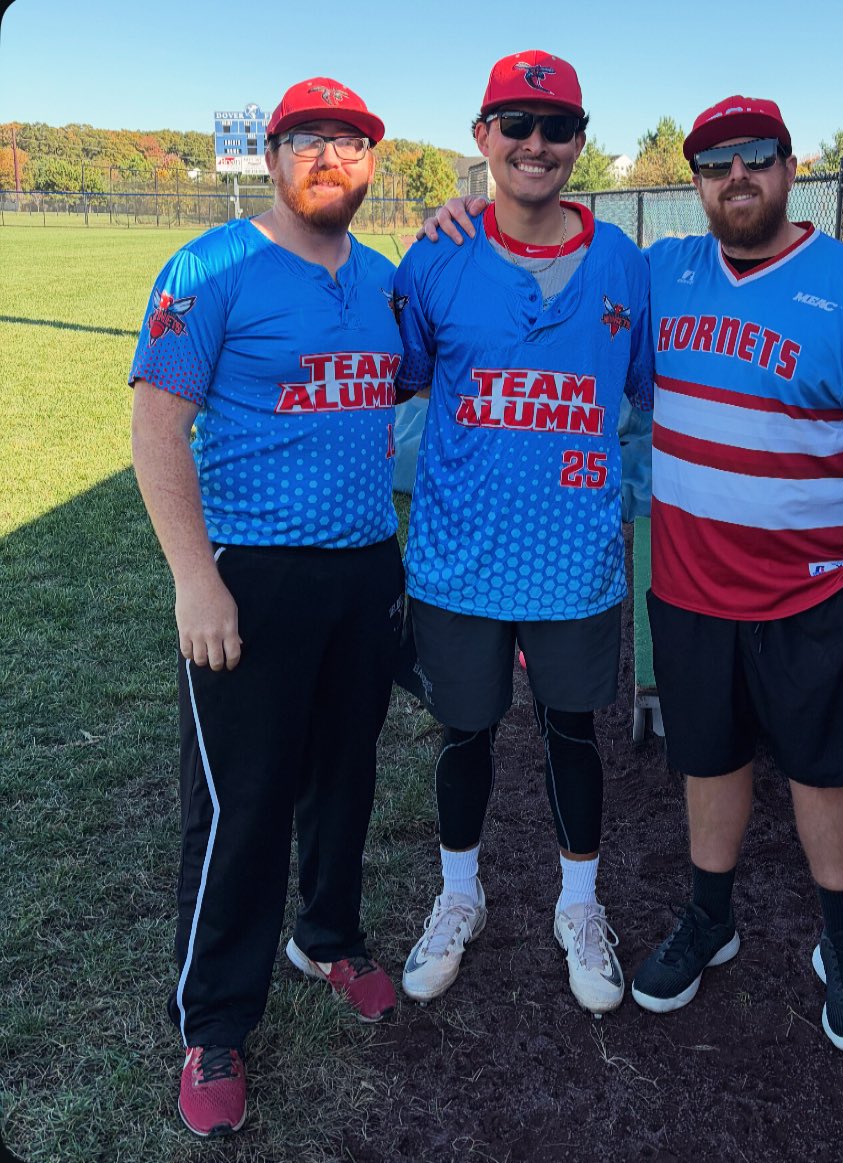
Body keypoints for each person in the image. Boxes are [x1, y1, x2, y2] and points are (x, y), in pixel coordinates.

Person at [129, 77, 405, 1138]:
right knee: (242, 801)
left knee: (346, 771)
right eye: (310, 141)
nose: (331, 159)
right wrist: (195, 577)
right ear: (274, 153)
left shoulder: (382, 280)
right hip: (251, 570)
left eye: (351, 143)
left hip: (363, 567)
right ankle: (214, 1018)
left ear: (372, 162)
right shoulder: (212, 267)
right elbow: (158, 428)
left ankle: (327, 935)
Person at [627, 96, 843, 1053]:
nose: (737, 176)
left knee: (825, 774)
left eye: (756, 156)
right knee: (708, 761)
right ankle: (710, 918)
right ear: (697, 184)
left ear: (791, 169)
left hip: (812, 593)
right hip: (690, 588)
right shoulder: (665, 271)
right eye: (715, 163)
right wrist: (468, 214)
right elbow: (559, 247)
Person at [391, 49, 653, 1017]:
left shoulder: (624, 264)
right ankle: (459, 895)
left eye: (557, 127)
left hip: (573, 560)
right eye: (517, 124)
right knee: (465, 730)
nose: (536, 144)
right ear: (484, 135)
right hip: (459, 557)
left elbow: (651, 395)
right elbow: (394, 379)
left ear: (580, 141)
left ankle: (578, 905)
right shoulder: (437, 256)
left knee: (571, 729)